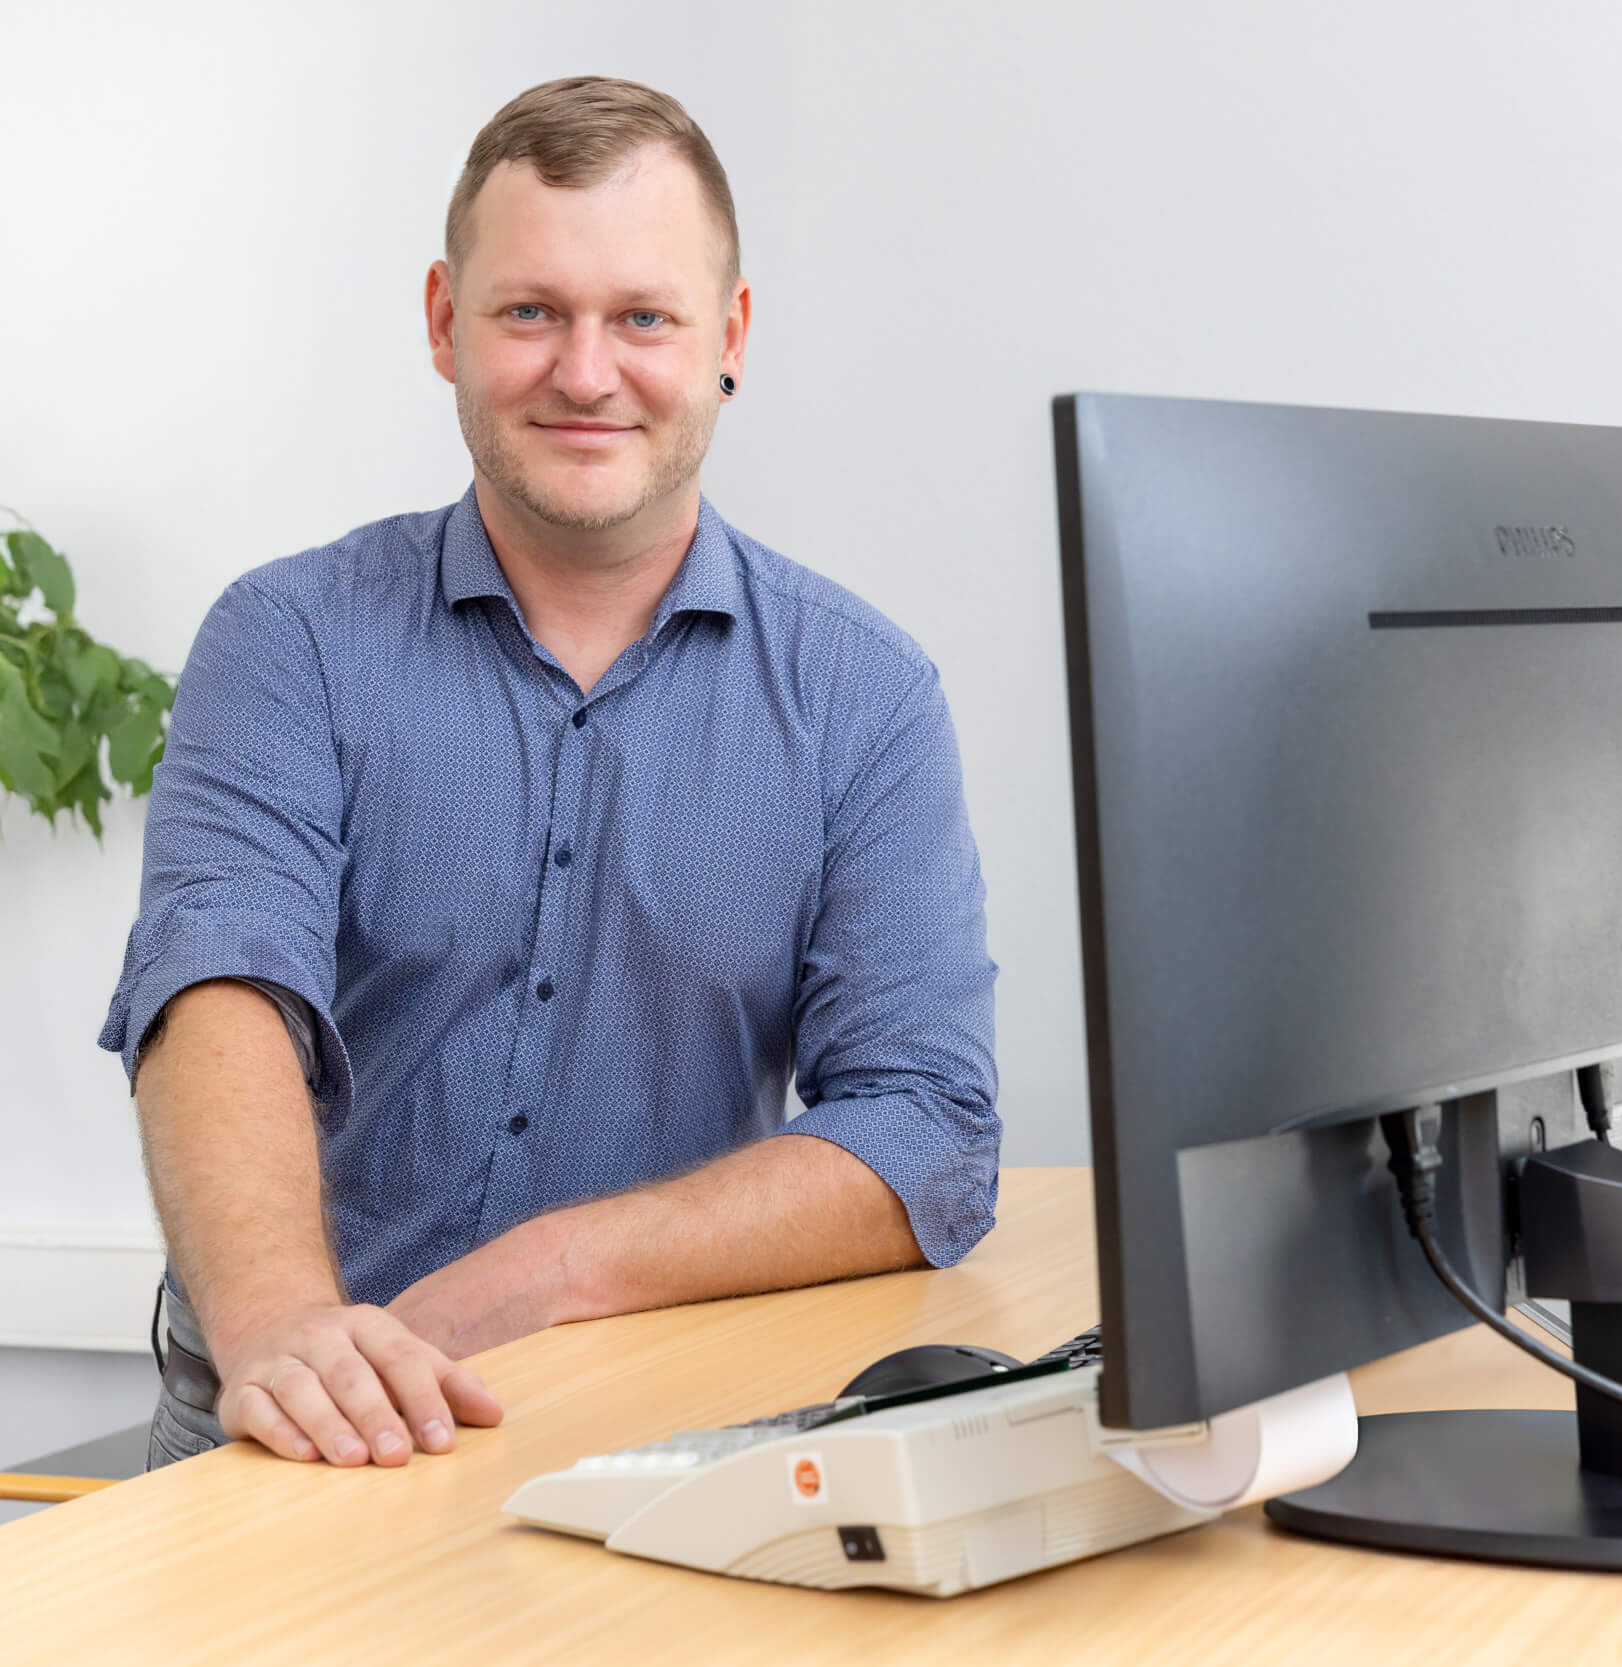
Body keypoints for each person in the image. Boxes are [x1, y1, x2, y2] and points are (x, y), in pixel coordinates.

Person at [102, 75, 999, 1475]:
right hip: (283, 1432)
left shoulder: (865, 696)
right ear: (444, 322)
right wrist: (290, 1330)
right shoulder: (288, 640)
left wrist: (555, 1269)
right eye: (532, 312)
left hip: (657, 1440)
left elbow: (925, 1129)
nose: (586, 374)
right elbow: (220, 986)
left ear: (729, 338)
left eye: (643, 317)